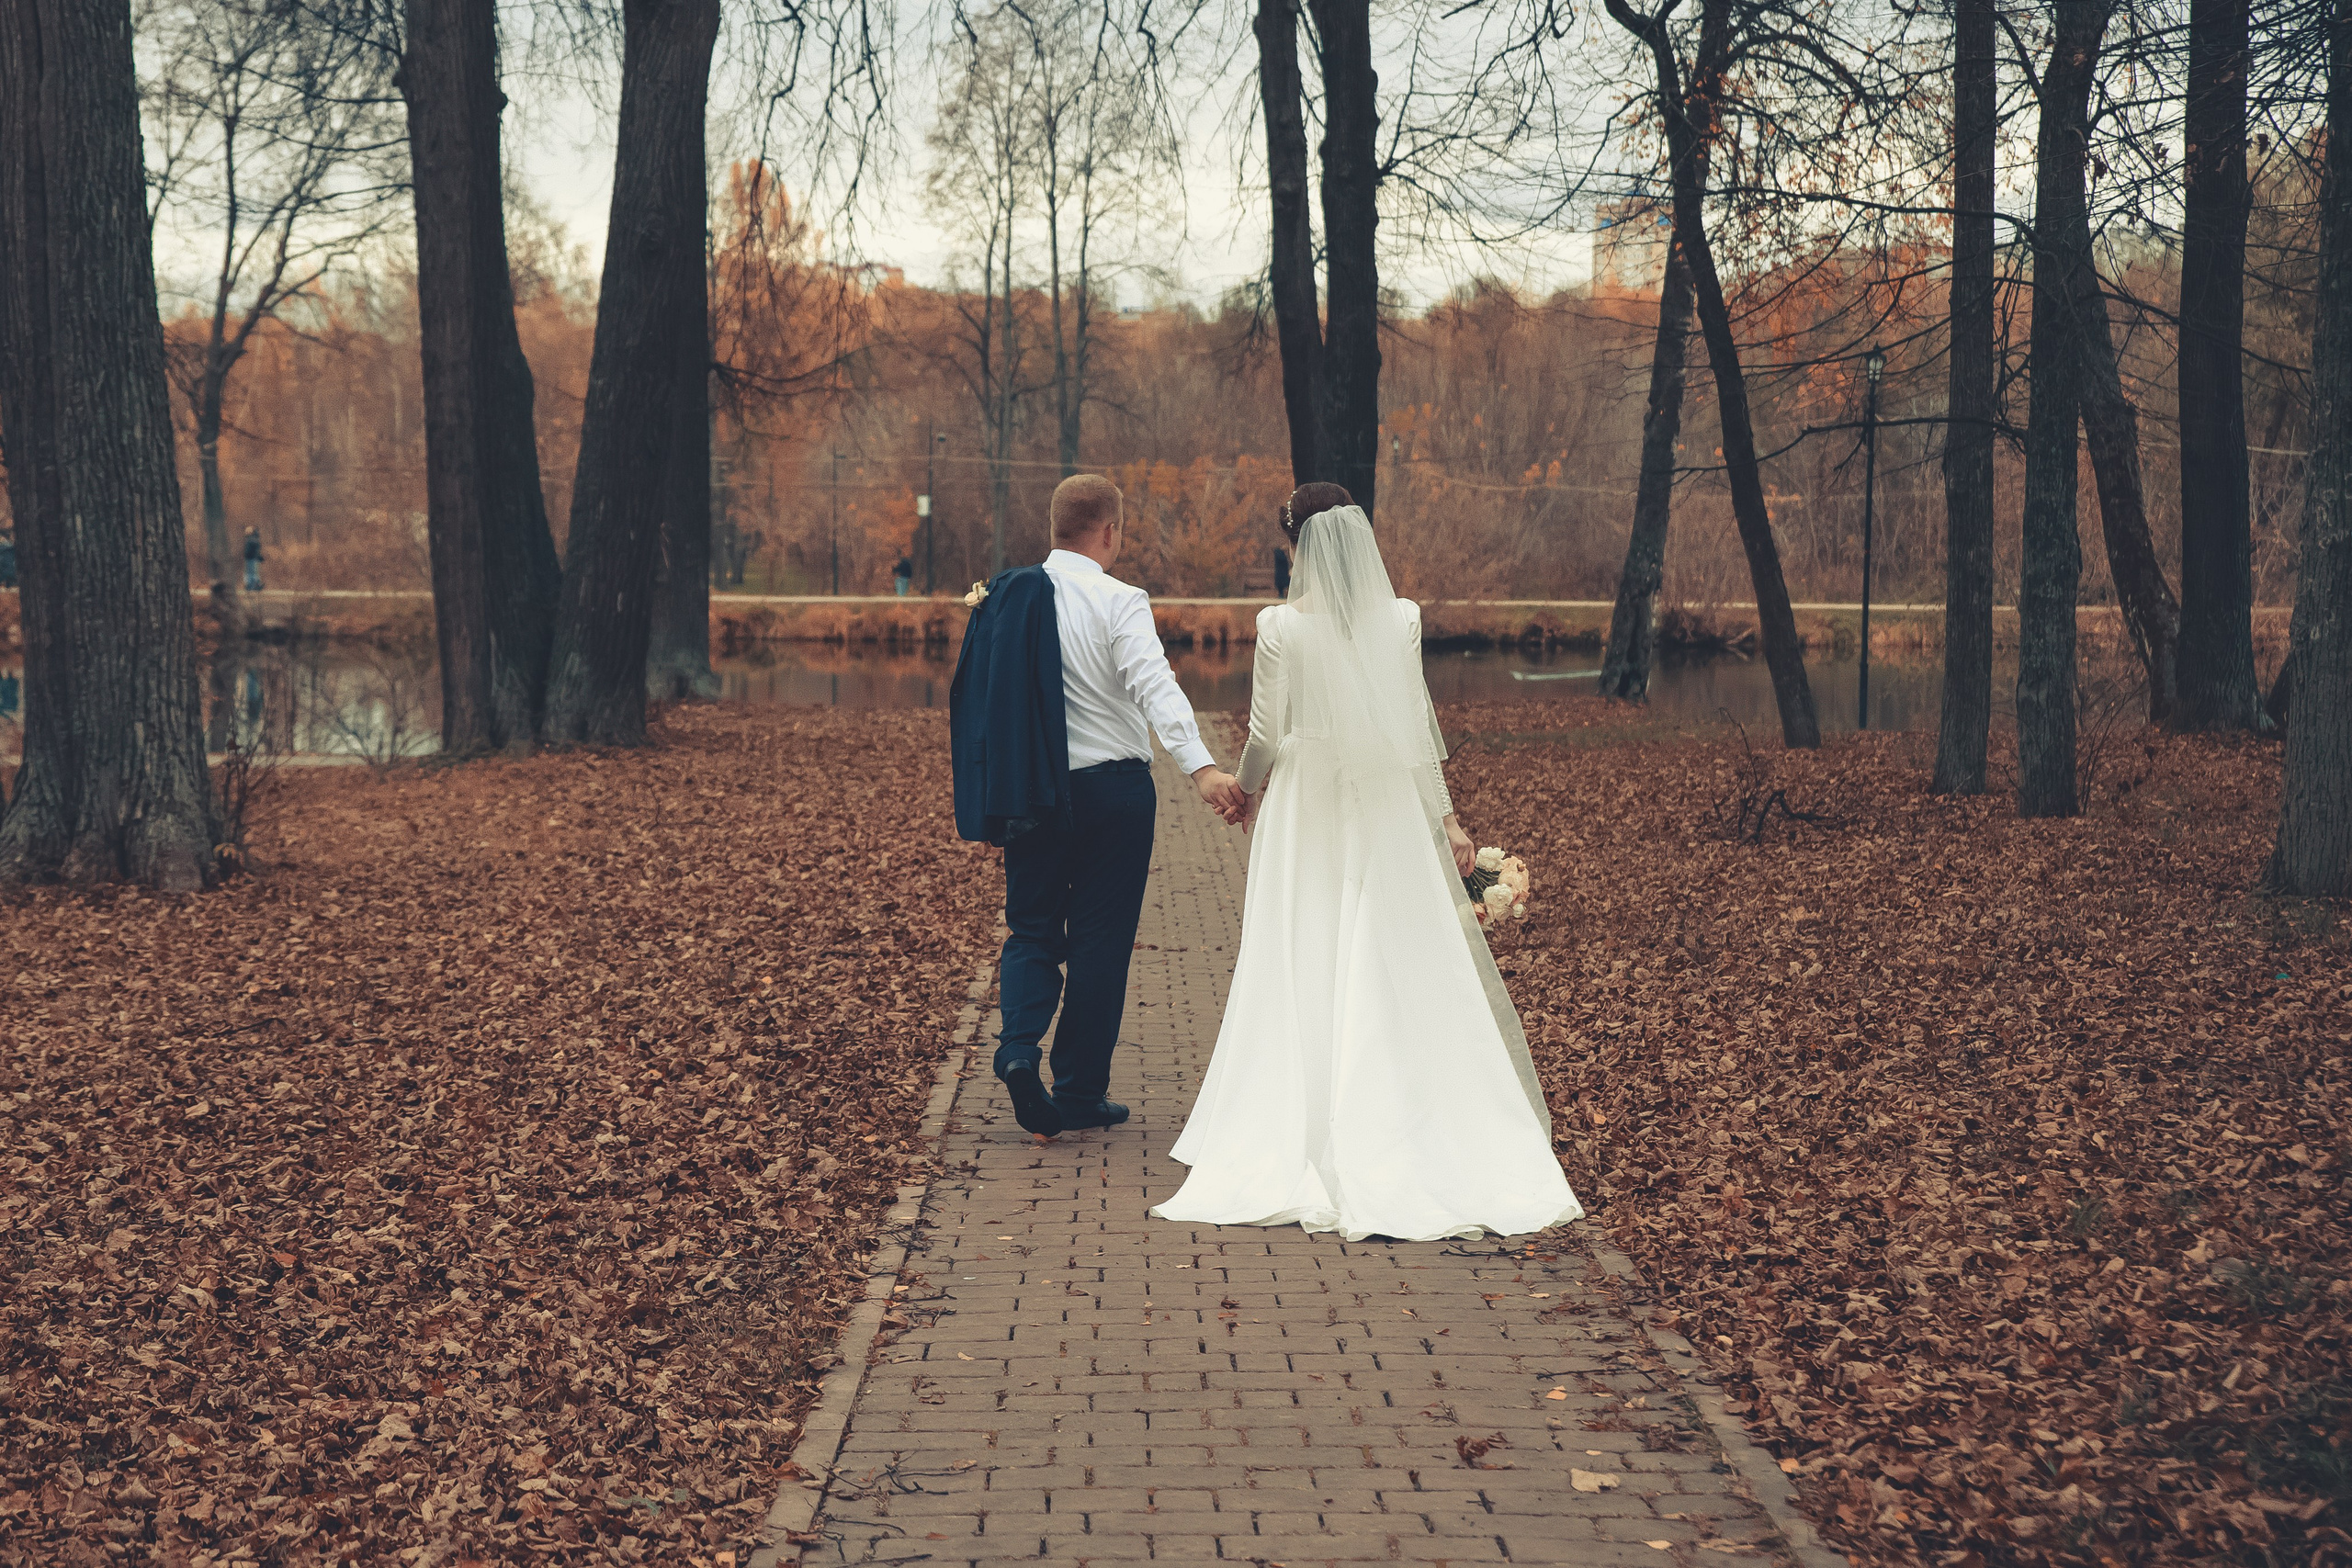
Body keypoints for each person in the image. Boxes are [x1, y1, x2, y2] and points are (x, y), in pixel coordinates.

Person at [1151, 483, 1582, 1242]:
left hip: (1307, 805)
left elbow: (1263, 733)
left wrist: (1243, 793)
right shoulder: (1402, 617)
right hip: (1384, 803)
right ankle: (1403, 1115)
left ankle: (1308, 1119)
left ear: (1296, 545)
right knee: (1387, 953)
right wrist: (1445, 817)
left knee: (1303, 952)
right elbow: (1414, 724)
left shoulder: (1282, 626)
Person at [950, 473, 1246, 1138]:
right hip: (1113, 795)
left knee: (1031, 928)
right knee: (1099, 943)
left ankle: (1019, 1051)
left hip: (1032, 790)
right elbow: (1153, 684)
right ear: (1109, 532)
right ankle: (1080, 1091)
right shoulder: (1120, 599)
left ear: (1054, 529)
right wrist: (1200, 767)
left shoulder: (1007, 598)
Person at [242, 527, 264, 592]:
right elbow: (257, 551)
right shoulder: (256, 540)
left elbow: (248, 551)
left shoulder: (250, 540)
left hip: (250, 558)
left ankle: (250, 586)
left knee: (250, 572)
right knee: (254, 572)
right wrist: (259, 557)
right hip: (255, 558)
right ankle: (256, 585)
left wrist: (247, 555)